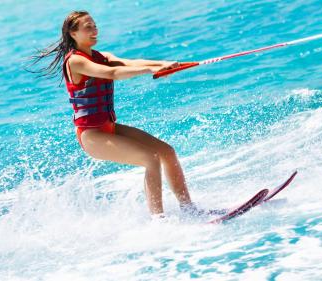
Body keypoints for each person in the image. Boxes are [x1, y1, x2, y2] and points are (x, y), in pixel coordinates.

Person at [32, 10, 212, 218]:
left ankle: (190, 210)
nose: (94, 30)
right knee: (151, 158)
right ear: (73, 33)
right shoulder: (75, 61)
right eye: (87, 27)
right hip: (92, 136)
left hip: (109, 128)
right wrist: (151, 70)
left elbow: (129, 63)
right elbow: (112, 73)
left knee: (167, 152)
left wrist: (164, 65)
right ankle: (159, 221)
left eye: (94, 25)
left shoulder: (103, 56)